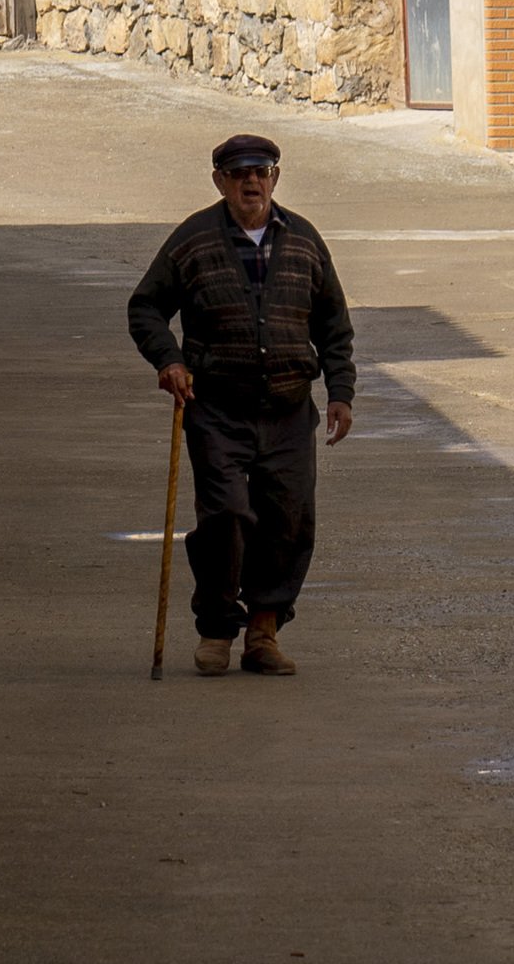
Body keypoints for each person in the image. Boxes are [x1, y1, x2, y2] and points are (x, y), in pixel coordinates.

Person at [126, 133, 356, 676]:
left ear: (275, 177)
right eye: (238, 174)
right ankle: (215, 629)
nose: (251, 182)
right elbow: (146, 308)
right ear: (220, 182)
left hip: (288, 410)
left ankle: (264, 631)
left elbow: (333, 325)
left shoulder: (303, 240)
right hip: (218, 410)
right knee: (226, 516)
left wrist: (340, 391)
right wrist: (169, 360)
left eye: (261, 171)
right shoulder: (194, 240)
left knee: (288, 520)